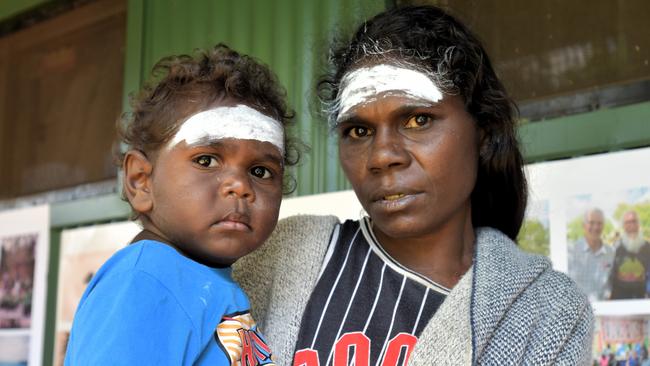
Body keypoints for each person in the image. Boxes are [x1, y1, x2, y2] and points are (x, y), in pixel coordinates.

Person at [233, 5, 593, 365]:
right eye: (359, 131)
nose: (382, 156)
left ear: (483, 132)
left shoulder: (546, 312)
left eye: (418, 120)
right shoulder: (277, 256)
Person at [64, 44, 298, 365]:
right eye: (206, 160)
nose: (240, 186)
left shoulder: (193, 278)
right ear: (141, 181)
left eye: (260, 171)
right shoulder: (145, 280)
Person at [568, 208, 615, 301]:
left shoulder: (611, 252)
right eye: (591, 223)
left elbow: (612, 283)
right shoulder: (571, 252)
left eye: (599, 223)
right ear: (584, 225)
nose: (596, 227)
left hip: (605, 311)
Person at [610, 210, 650, 299]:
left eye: (634, 221)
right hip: (619, 298)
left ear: (639, 224)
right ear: (623, 226)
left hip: (642, 298)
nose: (631, 225)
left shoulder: (647, 247)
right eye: (627, 222)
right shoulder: (615, 247)